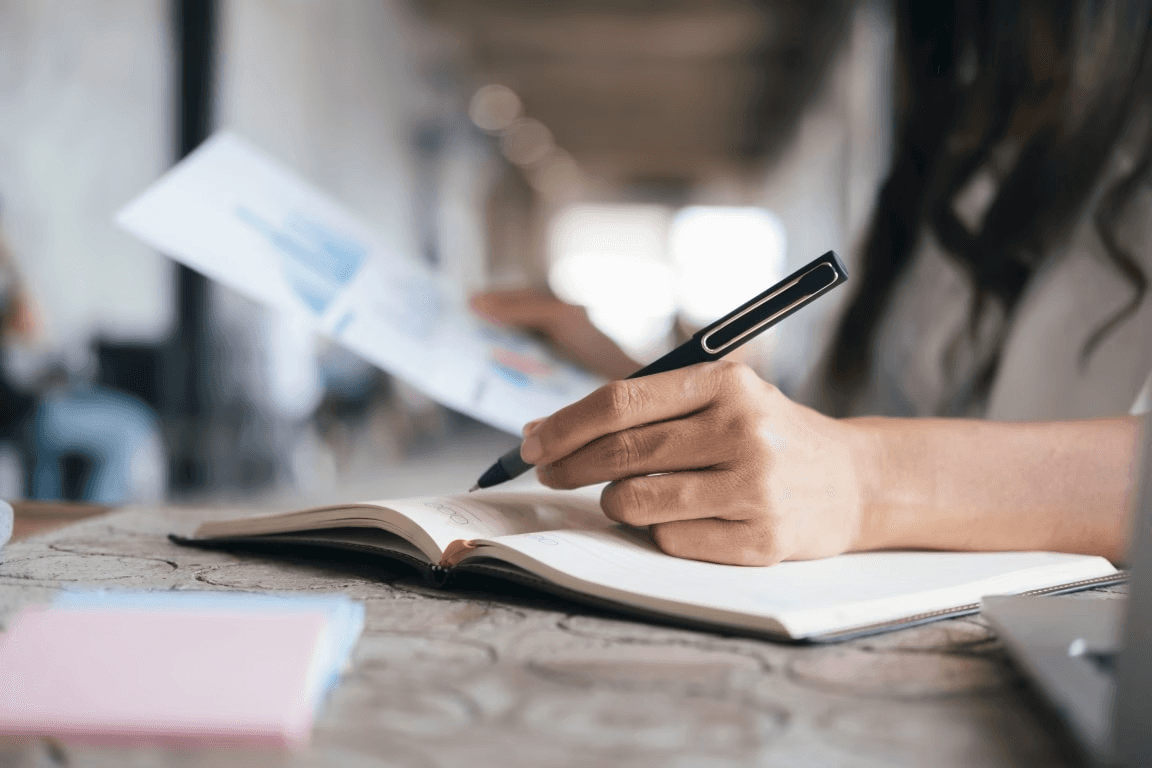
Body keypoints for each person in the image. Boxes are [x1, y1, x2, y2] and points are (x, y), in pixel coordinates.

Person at [471, 0, 1152, 567]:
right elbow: (815, 441)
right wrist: (615, 368)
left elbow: (845, 465)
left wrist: (865, 482)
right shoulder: (940, 185)